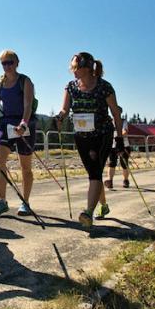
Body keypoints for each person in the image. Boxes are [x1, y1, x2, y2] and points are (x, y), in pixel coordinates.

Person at [55, 52, 124, 228]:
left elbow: (116, 113)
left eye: (75, 68)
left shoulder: (104, 86)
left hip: (102, 134)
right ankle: (104, 206)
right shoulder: (71, 86)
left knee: (94, 172)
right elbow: (65, 108)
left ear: (86, 68)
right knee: (94, 174)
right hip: (81, 135)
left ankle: (88, 212)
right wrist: (60, 117)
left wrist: (120, 138)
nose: (72, 71)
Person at [0, 50, 36, 217]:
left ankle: (25, 202)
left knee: (25, 167)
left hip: (24, 123)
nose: (7, 66)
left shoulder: (25, 81)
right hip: (6, 124)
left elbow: (28, 105)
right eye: (4, 63)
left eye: (10, 62)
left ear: (17, 63)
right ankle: (2, 201)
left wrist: (23, 123)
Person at [104, 106, 131, 190]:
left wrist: (119, 136)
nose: (115, 113)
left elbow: (125, 131)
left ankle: (126, 180)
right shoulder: (110, 122)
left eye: (117, 112)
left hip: (123, 145)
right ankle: (110, 181)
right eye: (113, 111)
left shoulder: (123, 121)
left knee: (124, 164)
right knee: (111, 163)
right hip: (112, 146)